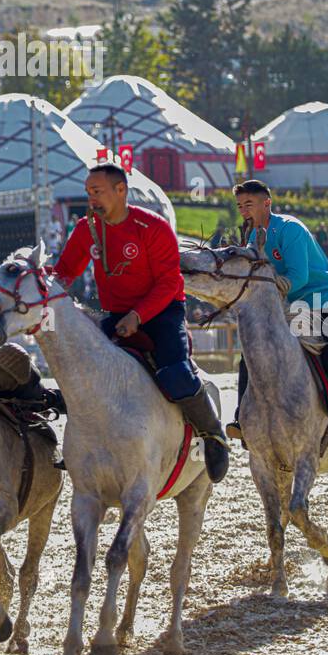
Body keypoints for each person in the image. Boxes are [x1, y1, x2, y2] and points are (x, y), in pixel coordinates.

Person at [52, 163, 229, 483]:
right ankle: (83, 445)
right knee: (81, 374)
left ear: (121, 191)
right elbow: (63, 274)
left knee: (176, 373)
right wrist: (40, 293)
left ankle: (213, 437)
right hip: (116, 315)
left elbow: (167, 283)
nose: (91, 198)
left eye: (97, 191)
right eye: (88, 192)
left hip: (163, 311)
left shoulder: (153, 227)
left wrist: (139, 316)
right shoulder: (85, 229)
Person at [228, 179, 328, 463]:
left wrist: (269, 289)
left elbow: (299, 276)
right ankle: (243, 421)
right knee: (251, 356)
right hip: (287, 308)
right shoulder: (250, 238)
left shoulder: (290, 229)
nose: (244, 210)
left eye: (249, 204)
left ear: (267, 203)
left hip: (324, 302)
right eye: (240, 205)